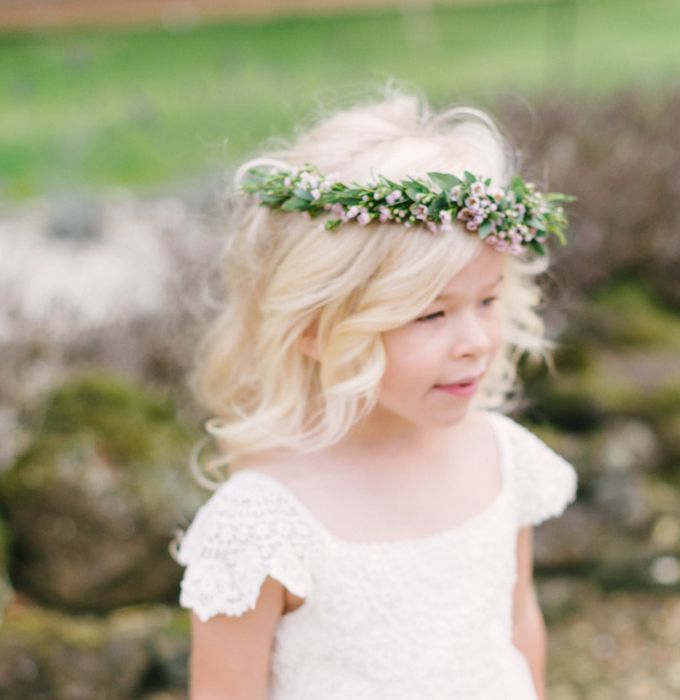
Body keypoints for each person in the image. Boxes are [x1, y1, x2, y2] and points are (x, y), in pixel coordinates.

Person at [170, 83, 578, 700]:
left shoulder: (499, 458)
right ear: (316, 330)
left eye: (487, 301)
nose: (473, 341)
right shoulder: (265, 525)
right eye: (431, 315)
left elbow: (518, 621)